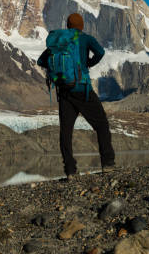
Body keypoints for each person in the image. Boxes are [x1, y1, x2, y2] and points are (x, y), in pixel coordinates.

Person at [37, 13, 115, 179]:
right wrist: (88, 63)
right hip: (82, 89)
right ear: (81, 25)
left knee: (66, 132)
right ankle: (107, 163)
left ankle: (70, 170)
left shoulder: (59, 41)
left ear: (68, 25)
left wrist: (57, 72)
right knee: (101, 124)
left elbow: (41, 61)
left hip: (65, 92)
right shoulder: (85, 38)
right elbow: (100, 52)